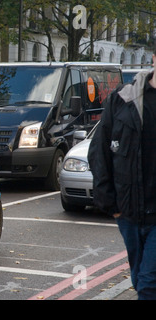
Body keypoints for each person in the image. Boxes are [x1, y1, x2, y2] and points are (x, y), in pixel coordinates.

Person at [88, 46, 156, 300]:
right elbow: (100, 149)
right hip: (128, 212)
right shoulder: (124, 98)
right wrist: (110, 203)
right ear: (154, 59)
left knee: (149, 284)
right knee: (140, 279)